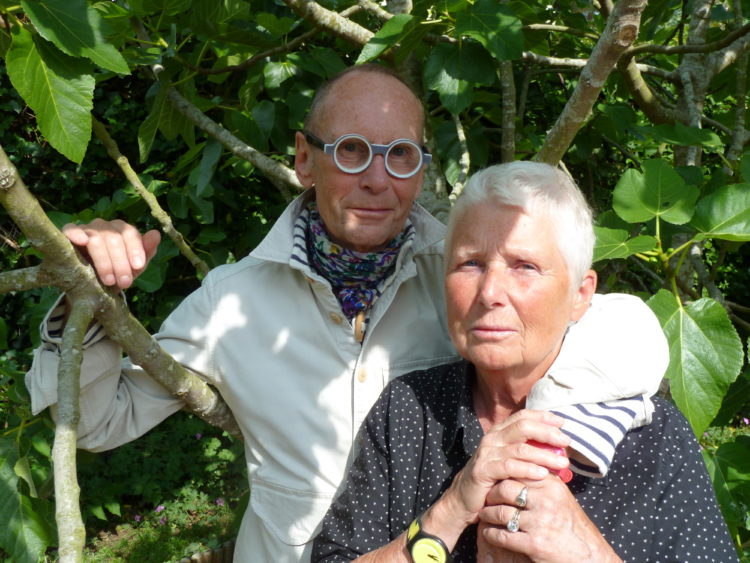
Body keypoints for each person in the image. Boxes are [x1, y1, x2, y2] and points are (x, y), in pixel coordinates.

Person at [26, 66, 668, 562]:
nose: (377, 180)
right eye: (353, 151)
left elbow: (612, 333)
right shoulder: (232, 302)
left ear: (422, 168)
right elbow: (100, 422)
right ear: (305, 159)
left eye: (401, 156)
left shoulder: (468, 273)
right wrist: (91, 302)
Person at [311, 161, 738, 563]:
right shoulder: (410, 411)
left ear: (580, 295)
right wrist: (450, 510)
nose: (490, 291)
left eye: (525, 266)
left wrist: (585, 551)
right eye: (471, 263)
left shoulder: (650, 436)